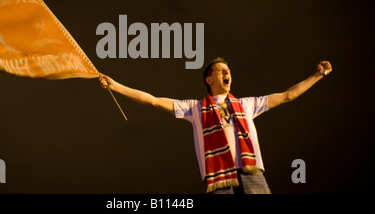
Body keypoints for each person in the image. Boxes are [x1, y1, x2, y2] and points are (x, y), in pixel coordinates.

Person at [99, 58, 332, 194]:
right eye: (221, 71)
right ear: (209, 80)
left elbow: (287, 96)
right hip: (219, 179)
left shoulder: (247, 104)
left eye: (228, 71)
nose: (227, 73)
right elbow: (152, 100)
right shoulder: (194, 108)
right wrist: (116, 86)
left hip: (251, 172)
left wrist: (318, 74)